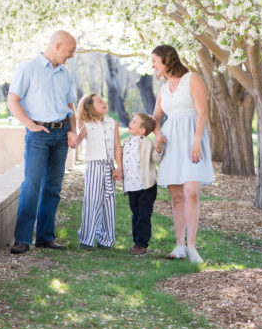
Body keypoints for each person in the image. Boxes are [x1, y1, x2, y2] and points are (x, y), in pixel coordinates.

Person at [8, 31, 78, 254]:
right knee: (32, 185)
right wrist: (31, 125)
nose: (72, 55)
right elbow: (13, 101)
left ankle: (45, 237)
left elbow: (71, 107)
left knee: (53, 187)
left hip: (61, 134)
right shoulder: (27, 68)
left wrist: (72, 131)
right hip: (38, 134)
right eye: (70, 50)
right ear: (58, 45)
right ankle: (22, 239)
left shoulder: (65, 74)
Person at [152, 45, 214, 263]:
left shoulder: (192, 79)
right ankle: (179, 246)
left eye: (155, 61)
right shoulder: (163, 90)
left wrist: (197, 140)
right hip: (172, 144)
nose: (152, 66)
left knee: (192, 191)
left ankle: (192, 246)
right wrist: (158, 135)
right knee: (177, 196)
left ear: (167, 61)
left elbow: (202, 111)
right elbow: (155, 119)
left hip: (192, 141)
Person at [75, 93, 123, 250]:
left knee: (109, 202)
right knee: (93, 201)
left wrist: (119, 167)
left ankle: (106, 239)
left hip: (109, 166)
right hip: (94, 166)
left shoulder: (112, 123)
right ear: (90, 107)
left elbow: (117, 146)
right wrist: (72, 140)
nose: (104, 102)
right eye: (99, 101)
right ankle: (86, 238)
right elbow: (77, 141)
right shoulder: (87, 125)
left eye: (103, 100)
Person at [122, 112, 162, 256]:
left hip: (146, 186)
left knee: (144, 215)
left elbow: (156, 158)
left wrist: (158, 148)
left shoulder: (146, 142)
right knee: (136, 214)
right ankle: (136, 242)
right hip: (132, 186)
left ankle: (141, 244)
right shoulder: (127, 143)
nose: (130, 123)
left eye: (134, 122)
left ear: (142, 131)